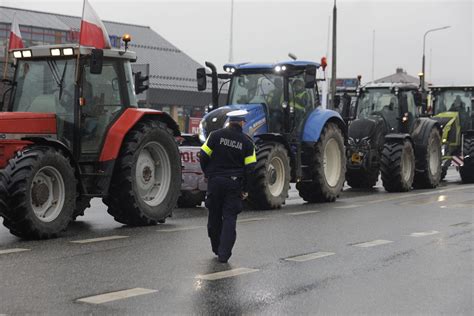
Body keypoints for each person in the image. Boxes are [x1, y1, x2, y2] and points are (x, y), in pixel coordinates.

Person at [199, 110, 257, 263]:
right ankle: (224, 255)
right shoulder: (247, 142)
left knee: (214, 215)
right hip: (234, 184)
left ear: (229, 121)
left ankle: (216, 248)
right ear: (242, 123)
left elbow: (203, 155)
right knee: (229, 218)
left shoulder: (215, 135)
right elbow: (250, 168)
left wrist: (208, 172)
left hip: (215, 181)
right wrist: (246, 189)